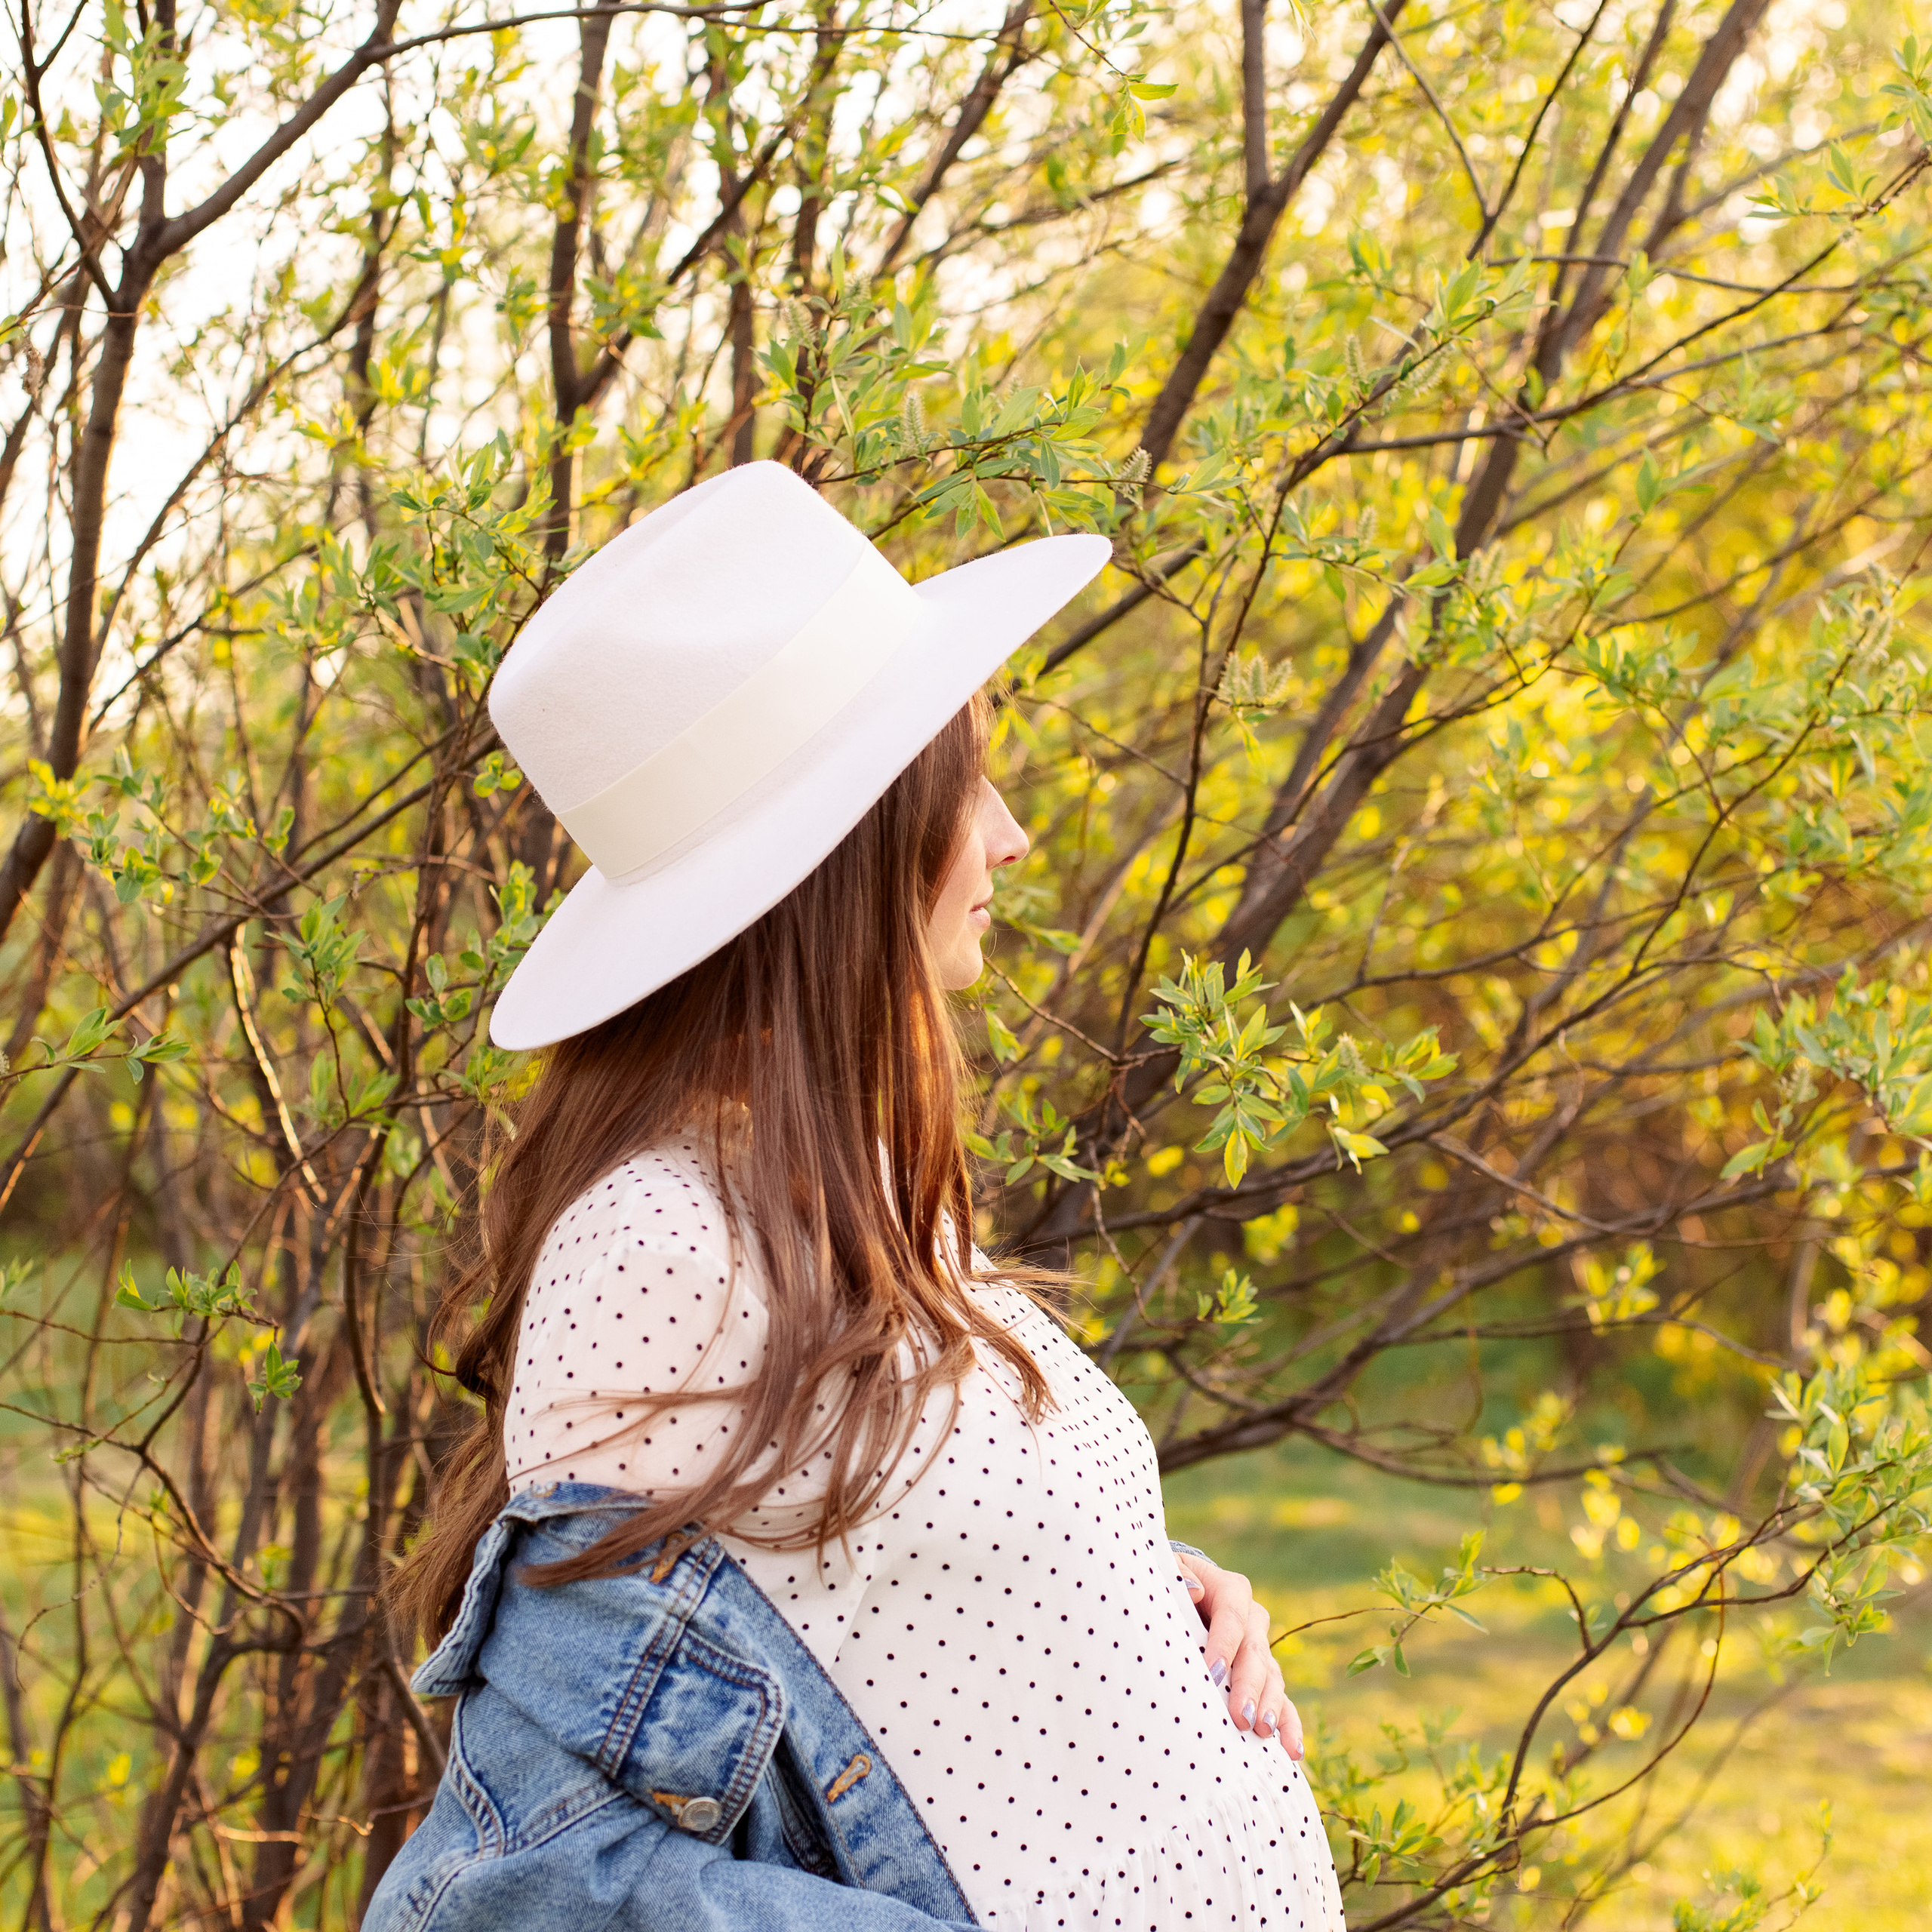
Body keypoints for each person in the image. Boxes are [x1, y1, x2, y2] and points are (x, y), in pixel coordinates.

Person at [375, 463, 1347, 1931]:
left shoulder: (852, 1197)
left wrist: (1148, 1595)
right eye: (970, 784)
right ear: (856, 845)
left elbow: (860, 1599)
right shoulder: (656, 1237)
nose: (1011, 836)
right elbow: (546, 1880)